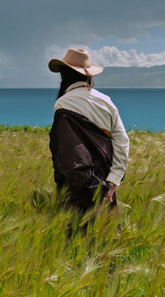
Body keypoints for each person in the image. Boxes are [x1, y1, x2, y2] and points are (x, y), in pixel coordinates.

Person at [48, 48, 129, 213]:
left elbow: (64, 152)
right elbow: (122, 142)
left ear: (63, 76)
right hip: (105, 185)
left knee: (73, 234)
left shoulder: (62, 104)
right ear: (88, 75)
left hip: (73, 188)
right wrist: (113, 181)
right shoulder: (106, 102)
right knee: (105, 234)